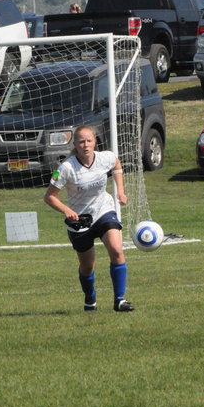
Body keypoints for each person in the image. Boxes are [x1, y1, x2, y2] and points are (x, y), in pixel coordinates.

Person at [43, 125, 134, 312]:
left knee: (117, 250)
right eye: (81, 141)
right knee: (87, 266)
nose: (86, 145)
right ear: (75, 144)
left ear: (95, 142)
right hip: (80, 220)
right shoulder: (66, 168)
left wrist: (121, 191)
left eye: (89, 141)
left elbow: (116, 164)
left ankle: (120, 300)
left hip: (104, 210)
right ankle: (90, 298)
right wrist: (66, 210)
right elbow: (49, 197)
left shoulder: (105, 157)